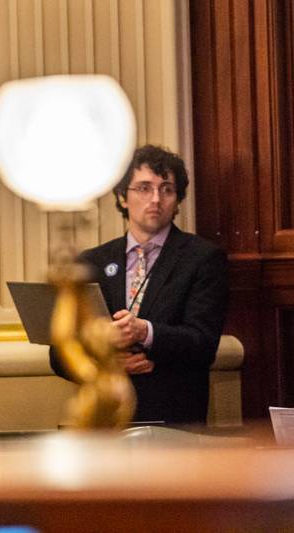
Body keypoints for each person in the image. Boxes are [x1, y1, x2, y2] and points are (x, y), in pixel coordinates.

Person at [51, 144, 229, 425]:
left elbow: (204, 344)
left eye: (167, 189)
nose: (156, 199)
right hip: (104, 422)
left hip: (174, 418)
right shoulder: (91, 262)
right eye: (144, 188)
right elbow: (58, 356)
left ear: (178, 200)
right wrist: (106, 361)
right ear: (123, 197)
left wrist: (145, 332)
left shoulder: (203, 258)